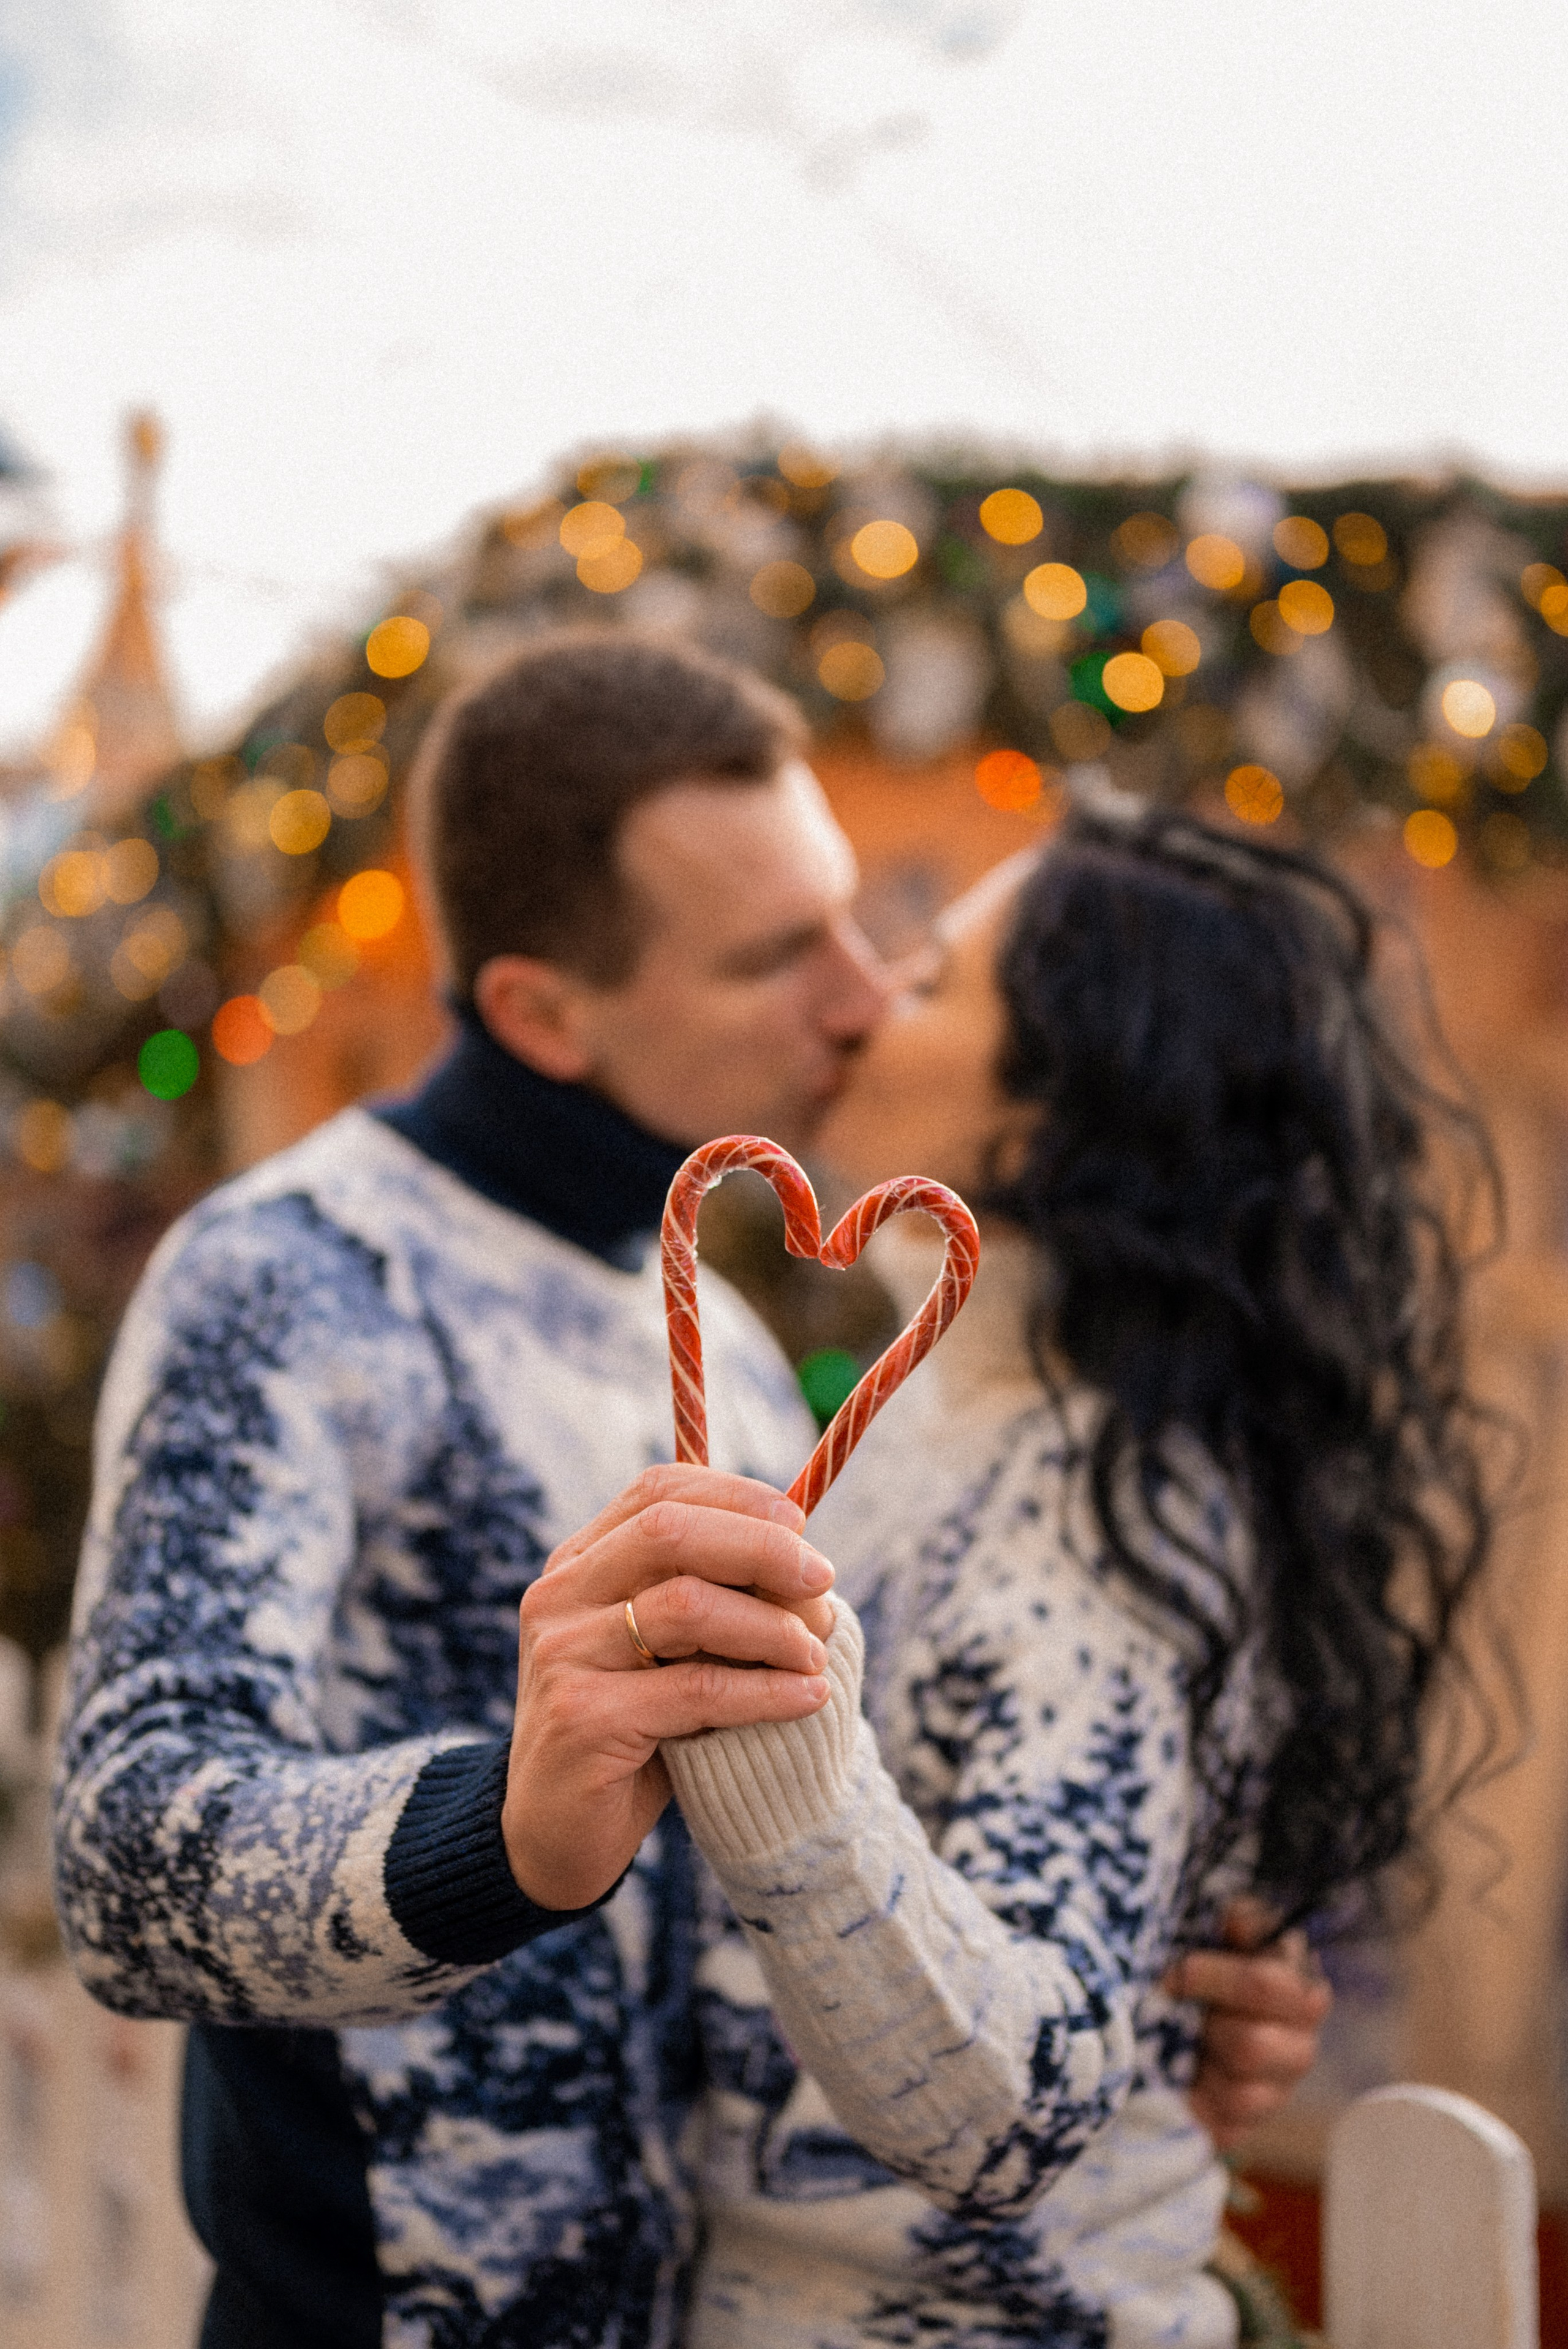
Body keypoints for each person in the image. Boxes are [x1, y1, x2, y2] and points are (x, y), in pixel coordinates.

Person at [52, 633, 1325, 2349]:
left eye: (855, 922)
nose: (863, 996)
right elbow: (127, 1863)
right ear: (539, 1010)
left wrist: (1151, 1993)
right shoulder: (288, 1274)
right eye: (774, 956)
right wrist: (497, 1827)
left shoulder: (718, 1332)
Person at [662, 801, 1493, 2347]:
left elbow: (1011, 2105)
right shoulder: (941, 1417)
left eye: (925, 985)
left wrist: (780, 1757)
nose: (859, 1003)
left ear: (1052, 1114)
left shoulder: (1112, 1515)